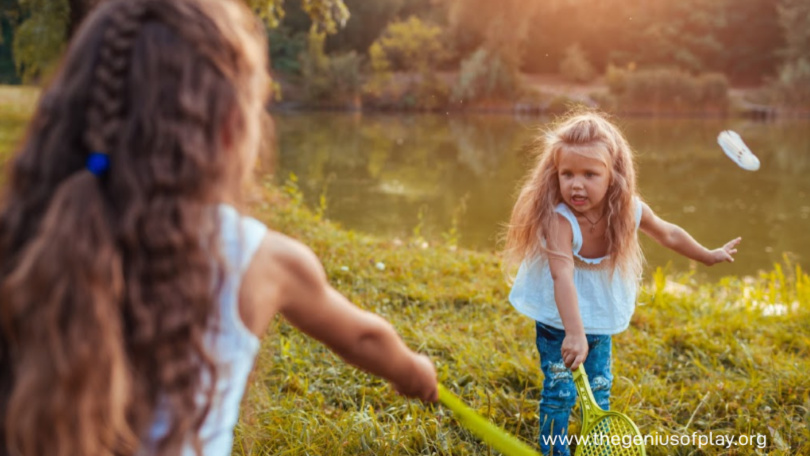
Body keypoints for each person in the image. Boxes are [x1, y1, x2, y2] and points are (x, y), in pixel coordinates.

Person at [0, 1, 437, 455]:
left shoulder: (22, 233)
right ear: (230, 129)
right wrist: (414, 371)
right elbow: (363, 337)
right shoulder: (260, 261)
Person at [504, 111, 740, 456]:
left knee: (598, 388)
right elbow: (562, 276)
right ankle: (553, 451)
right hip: (560, 318)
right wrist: (573, 332)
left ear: (613, 175)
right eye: (566, 174)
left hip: (599, 313)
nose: (576, 184)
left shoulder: (629, 209)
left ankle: (596, 446)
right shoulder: (560, 219)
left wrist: (706, 254)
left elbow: (669, 232)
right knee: (560, 390)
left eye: (589, 174)